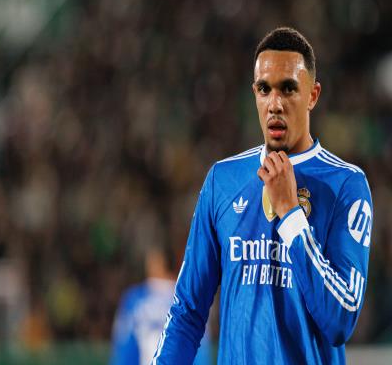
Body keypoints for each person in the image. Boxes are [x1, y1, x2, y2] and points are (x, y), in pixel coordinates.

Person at [151, 27, 373, 364]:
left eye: (288, 89)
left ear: (312, 96)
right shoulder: (223, 180)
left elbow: (341, 318)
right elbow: (187, 312)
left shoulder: (346, 185)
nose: (275, 104)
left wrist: (292, 216)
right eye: (264, 89)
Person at [110, 248, 211, 365]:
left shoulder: (135, 299)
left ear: (153, 264)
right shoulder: (189, 300)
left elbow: (124, 349)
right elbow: (200, 353)